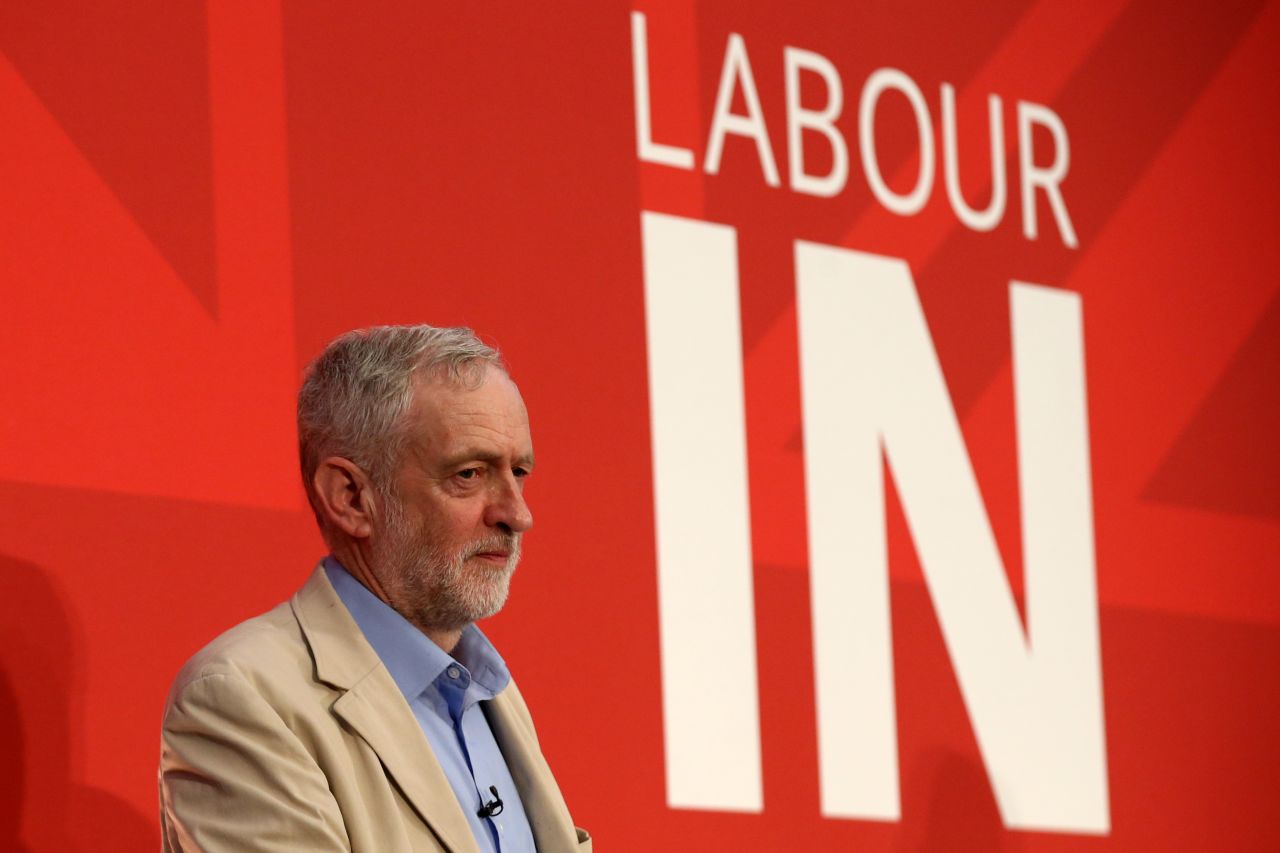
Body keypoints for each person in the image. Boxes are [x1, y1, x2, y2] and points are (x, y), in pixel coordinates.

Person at [159, 325, 590, 852]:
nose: (517, 514)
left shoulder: (492, 696)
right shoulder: (244, 697)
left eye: (518, 471)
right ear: (352, 498)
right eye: (469, 474)